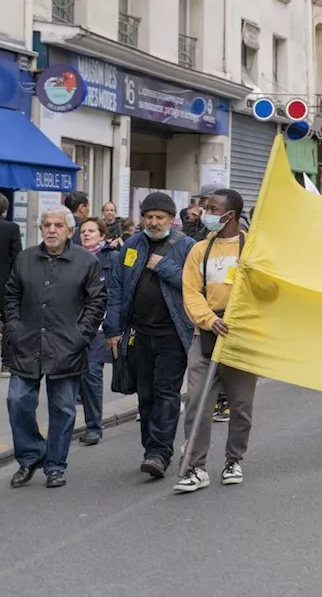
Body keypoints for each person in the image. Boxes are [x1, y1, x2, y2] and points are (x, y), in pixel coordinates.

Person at [3, 206, 106, 488]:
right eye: (46, 224)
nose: (51, 229)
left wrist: (80, 335)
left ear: (69, 231)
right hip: (27, 344)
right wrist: (13, 328)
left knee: (62, 409)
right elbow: (11, 294)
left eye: (58, 225)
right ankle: (31, 456)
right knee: (17, 401)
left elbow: (97, 301)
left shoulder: (86, 261)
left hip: (66, 348)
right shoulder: (25, 259)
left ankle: (55, 465)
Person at [103, 193, 196, 476]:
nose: (154, 222)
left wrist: (164, 267)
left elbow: (195, 286)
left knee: (166, 392)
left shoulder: (187, 246)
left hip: (172, 334)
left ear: (171, 219)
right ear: (143, 218)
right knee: (145, 394)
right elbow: (117, 289)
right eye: (149, 217)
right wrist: (114, 329)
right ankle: (151, 448)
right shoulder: (132, 245)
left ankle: (159, 452)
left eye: (160, 217)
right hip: (138, 334)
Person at [176, 189, 259, 493]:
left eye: (212, 208)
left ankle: (233, 460)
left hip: (241, 338)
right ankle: (195, 467)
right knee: (197, 402)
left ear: (231, 216)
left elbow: (269, 292)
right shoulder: (200, 250)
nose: (205, 212)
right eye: (206, 207)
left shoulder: (252, 248)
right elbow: (191, 292)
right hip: (206, 336)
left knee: (241, 405)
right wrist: (209, 320)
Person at [77, 218, 120, 446]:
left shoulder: (111, 257)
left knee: (92, 373)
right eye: (83, 231)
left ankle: (94, 427)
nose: (86, 234)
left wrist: (112, 325)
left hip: (99, 325)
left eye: (91, 231)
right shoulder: (73, 257)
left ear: (102, 234)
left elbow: (114, 292)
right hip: (73, 326)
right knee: (74, 377)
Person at [0, 191, 22, 378]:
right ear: (5, 210)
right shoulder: (11, 228)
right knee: (9, 321)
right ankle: (6, 363)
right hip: (4, 283)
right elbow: (17, 258)